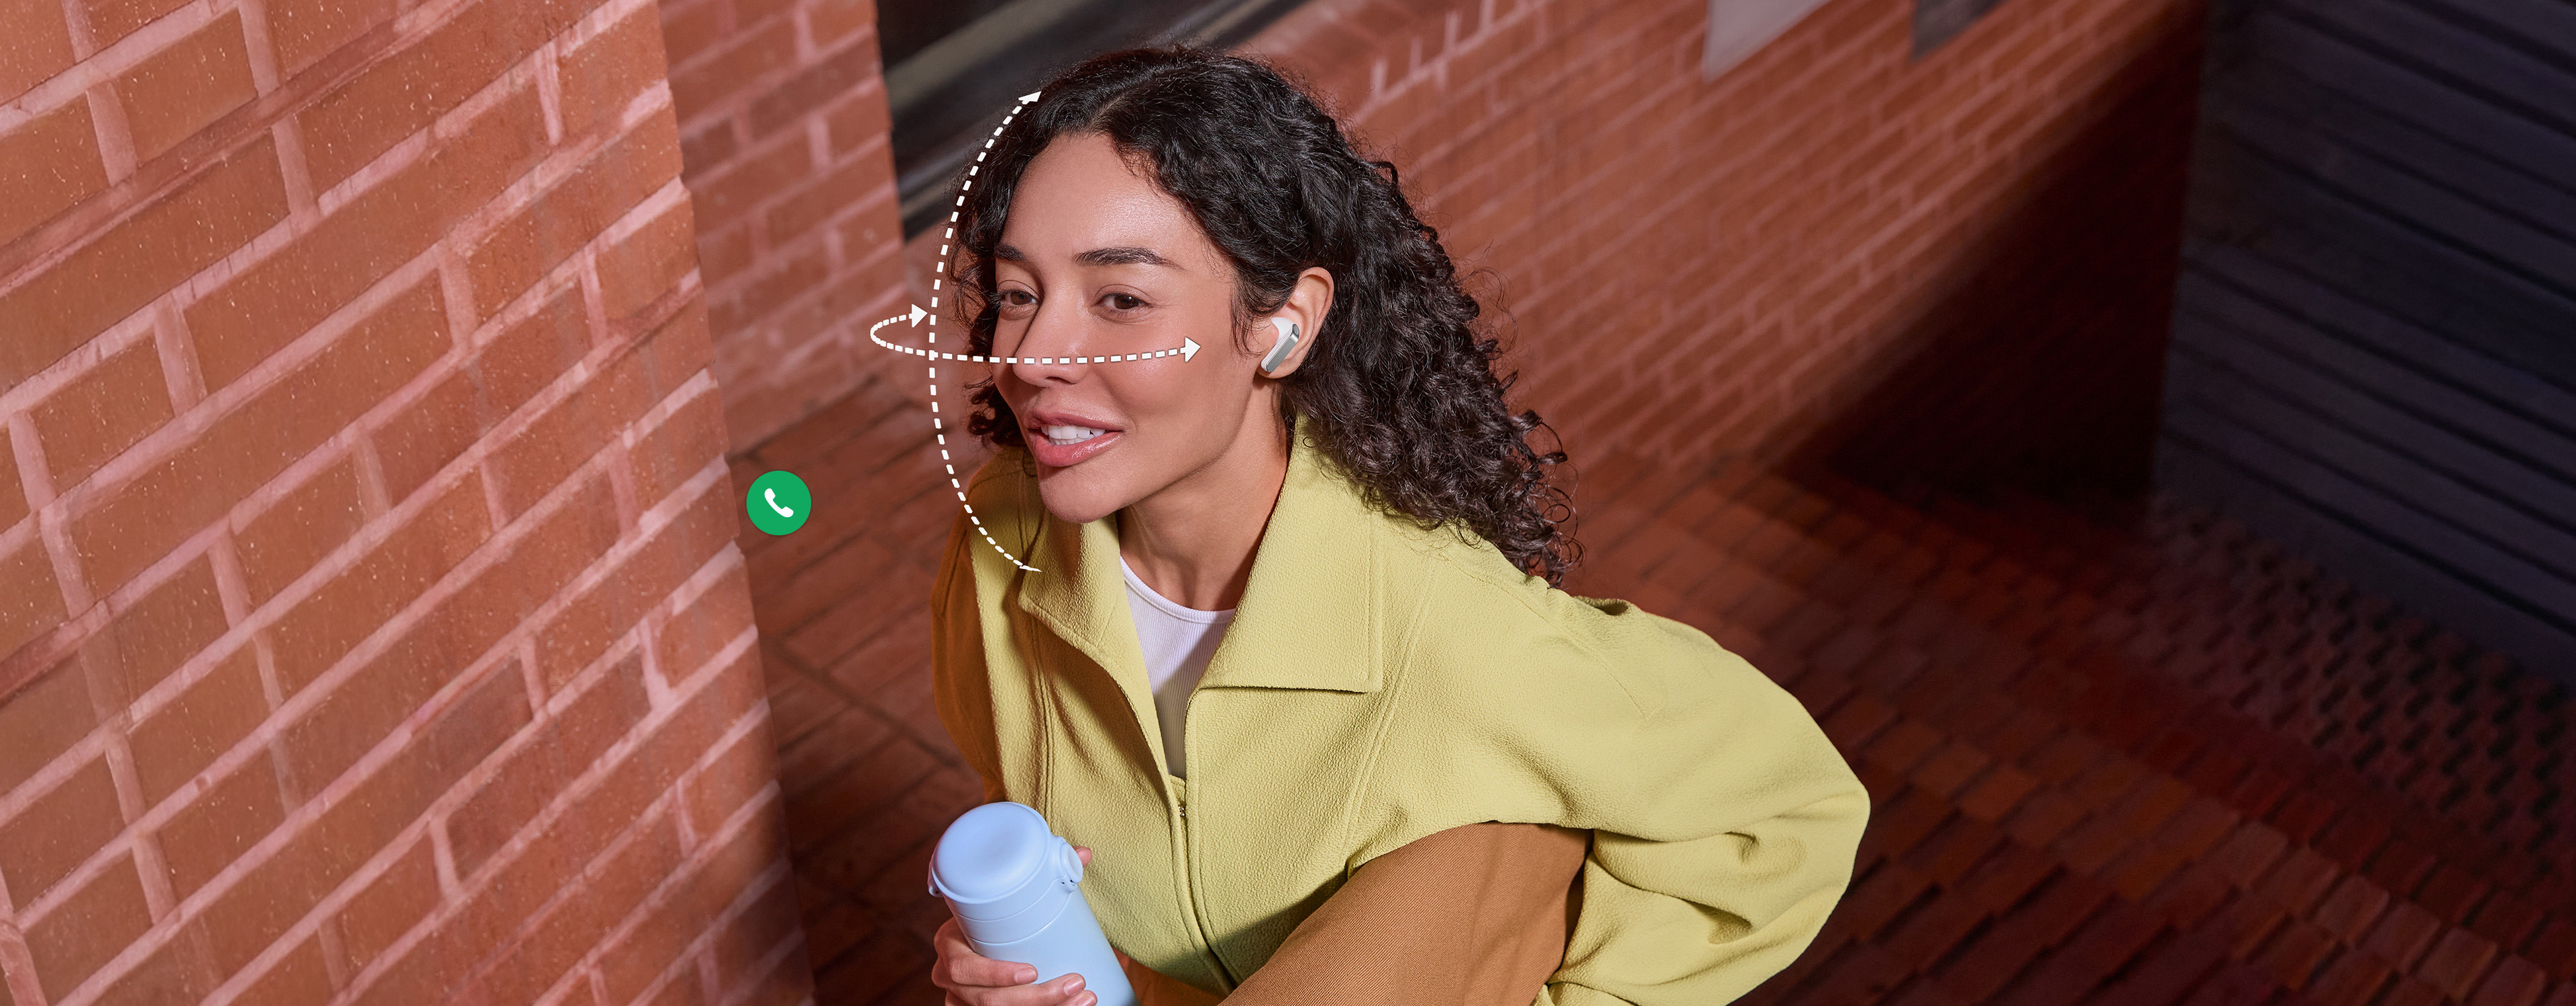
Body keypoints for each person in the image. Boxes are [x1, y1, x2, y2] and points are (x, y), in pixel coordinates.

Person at [925, 47, 1869, 1005]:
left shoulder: (1455, 631)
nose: (1034, 355)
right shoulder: (1004, 548)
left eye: (1121, 300)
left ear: (1284, 326)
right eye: (1018, 294)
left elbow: (1788, 812)